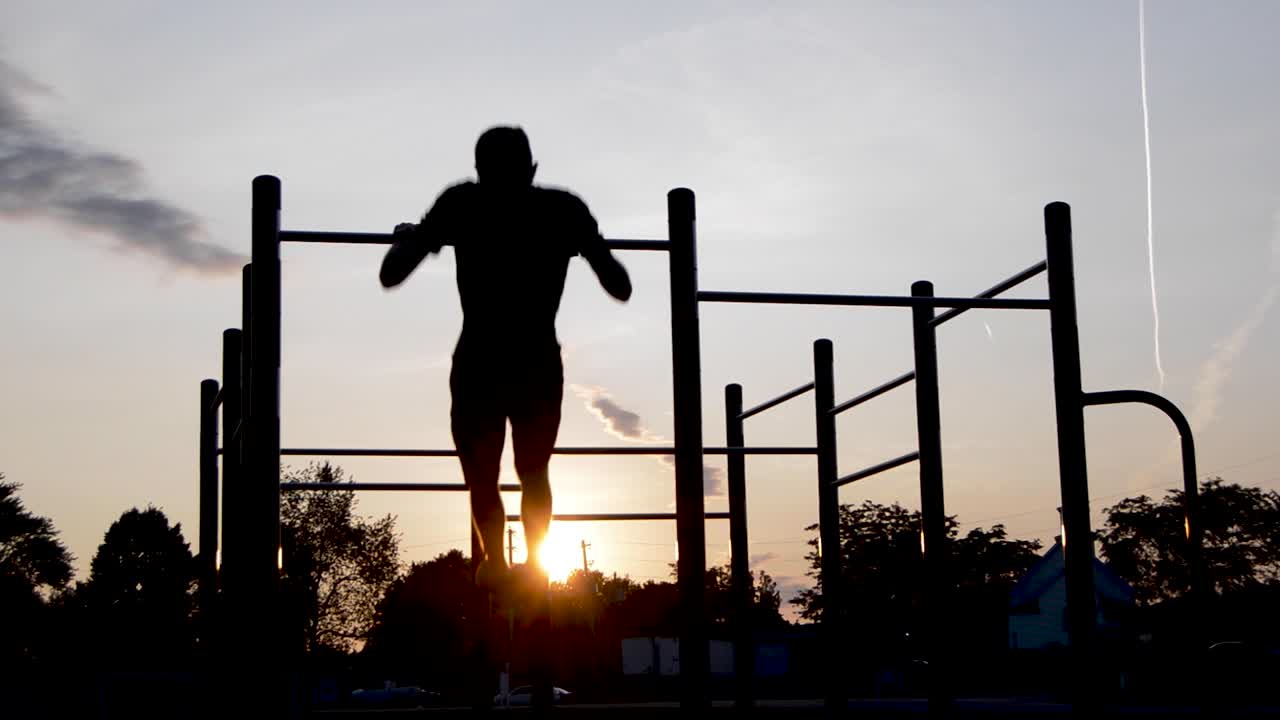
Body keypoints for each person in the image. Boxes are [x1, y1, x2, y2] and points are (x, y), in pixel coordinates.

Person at [380, 126, 632, 594]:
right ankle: (534, 564)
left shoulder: (462, 204)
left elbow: (391, 273)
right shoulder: (562, 210)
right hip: (535, 361)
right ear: (533, 170)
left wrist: (411, 237)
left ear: (478, 173)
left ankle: (496, 562)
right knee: (533, 472)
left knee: (482, 477)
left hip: (480, 360)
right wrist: (591, 244)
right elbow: (621, 286)